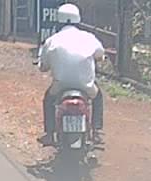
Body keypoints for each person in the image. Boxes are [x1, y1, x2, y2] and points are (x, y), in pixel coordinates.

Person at [37, 4, 105, 146]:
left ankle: (49, 134)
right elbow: (100, 54)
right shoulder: (88, 38)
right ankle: (97, 131)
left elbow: (43, 67)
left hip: (60, 86)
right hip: (86, 86)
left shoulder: (52, 40)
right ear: (78, 19)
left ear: (59, 20)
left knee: (48, 100)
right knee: (98, 97)